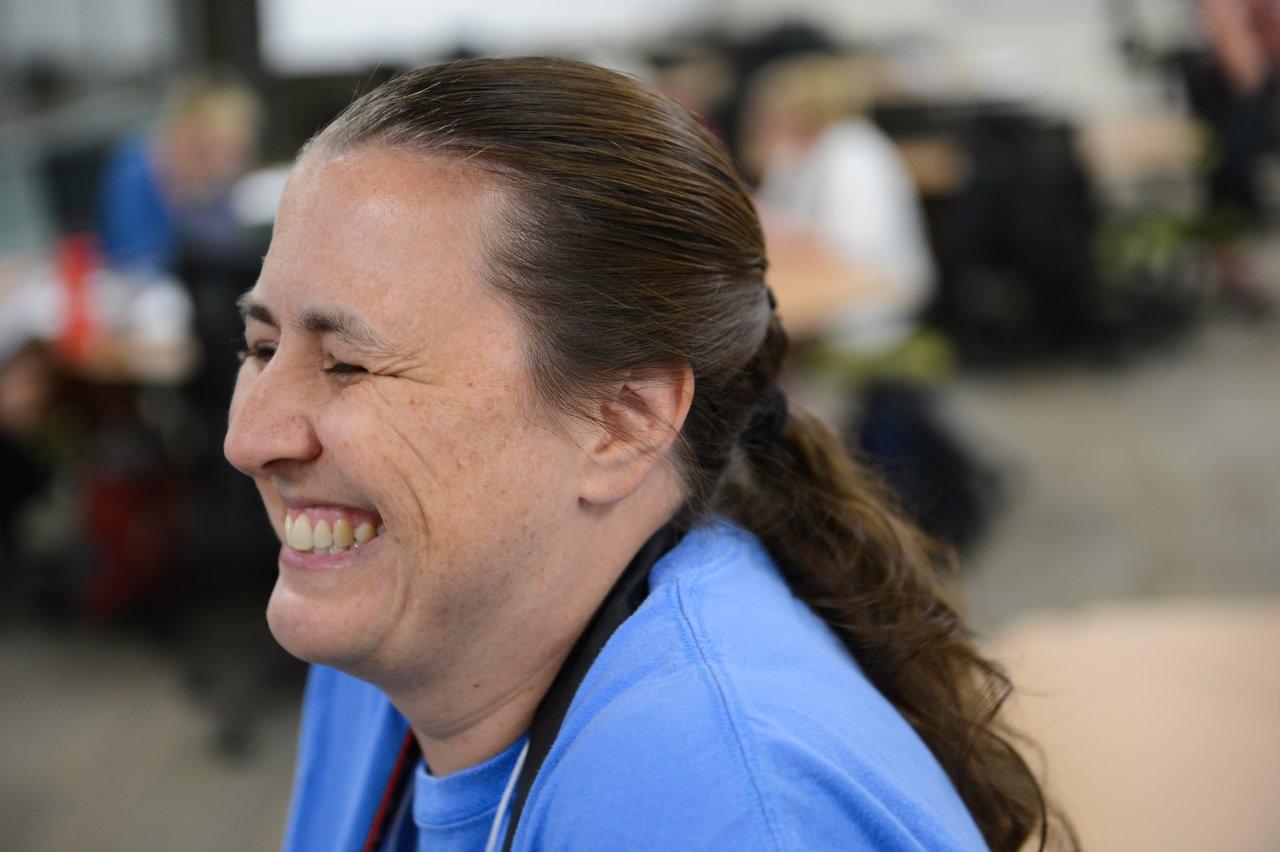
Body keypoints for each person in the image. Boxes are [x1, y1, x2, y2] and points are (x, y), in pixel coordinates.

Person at [224, 58, 1064, 851]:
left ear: (623, 422)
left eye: (350, 364)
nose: (249, 439)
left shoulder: (712, 804)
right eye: (261, 348)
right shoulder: (390, 631)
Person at [96, 70, 262, 274]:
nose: (226, 166)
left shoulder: (211, 176)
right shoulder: (135, 172)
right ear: (193, 135)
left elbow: (225, 246)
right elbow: (134, 261)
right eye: (215, 150)